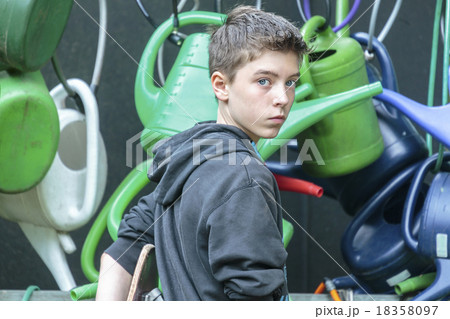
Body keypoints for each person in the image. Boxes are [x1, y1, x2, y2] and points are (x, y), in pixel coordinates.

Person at [96, 5, 308, 301]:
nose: (282, 98)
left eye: (290, 82)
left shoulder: (188, 158)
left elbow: (125, 249)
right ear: (221, 86)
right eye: (264, 81)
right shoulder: (245, 178)